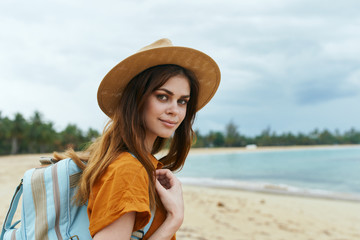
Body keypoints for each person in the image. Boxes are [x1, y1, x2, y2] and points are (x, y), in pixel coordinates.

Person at [54, 38, 220, 239]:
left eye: (183, 101)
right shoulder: (128, 170)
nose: (175, 111)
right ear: (137, 99)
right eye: (162, 96)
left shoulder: (132, 163)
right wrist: (175, 218)